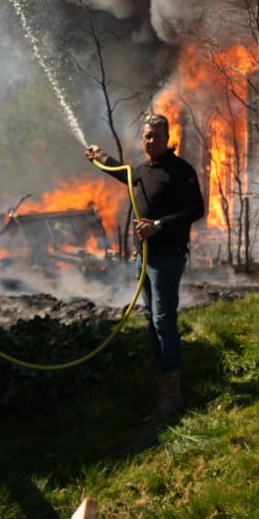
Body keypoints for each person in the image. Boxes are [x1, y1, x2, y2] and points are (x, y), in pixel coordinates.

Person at [86, 114, 205, 420]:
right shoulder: (141, 171)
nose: (149, 140)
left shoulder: (180, 171)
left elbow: (196, 209)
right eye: (146, 136)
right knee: (152, 319)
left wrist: (158, 225)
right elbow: (120, 173)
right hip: (144, 258)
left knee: (164, 320)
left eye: (155, 136)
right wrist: (100, 158)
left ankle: (172, 398)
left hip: (167, 257)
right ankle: (160, 385)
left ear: (167, 138)